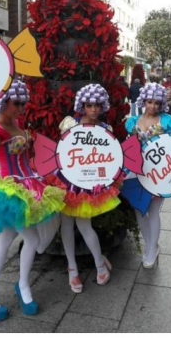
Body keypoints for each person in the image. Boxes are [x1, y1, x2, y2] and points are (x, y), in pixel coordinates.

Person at [0, 81, 65, 319]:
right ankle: (11, 288)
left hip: (29, 183)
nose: (21, 108)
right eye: (17, 103)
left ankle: (2, 289)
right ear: (3, 103)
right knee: (27, 237)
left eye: (23, 103)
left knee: (11, 238)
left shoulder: (17, 124)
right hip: (10, 189)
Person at [50, 84, 118, 293]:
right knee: (67, 224)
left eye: (97, 105)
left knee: (84, 225)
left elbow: (110, 159)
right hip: (67, 180)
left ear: (102, 105)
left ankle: (99, 262)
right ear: (82, 105)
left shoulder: (106, 130)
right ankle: (72, 269)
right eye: (89, 105)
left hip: (89, 183)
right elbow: (61, 151)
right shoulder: (70, 124)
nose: (94, 110)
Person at [124, 83, 171, 268]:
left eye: (157, 102)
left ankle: (151, 248)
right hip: (136, 171)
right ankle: (150, 246)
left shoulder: (167, 121)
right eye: (149, 102)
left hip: (159, 172)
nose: (153, 106)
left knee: (153, 211)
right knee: (139, 210)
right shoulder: (132, 121)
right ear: (143, 101)